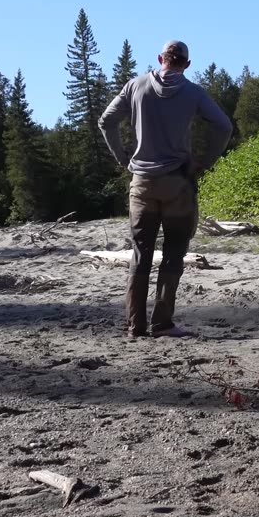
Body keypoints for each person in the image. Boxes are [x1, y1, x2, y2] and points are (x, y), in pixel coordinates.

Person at [99, 40, 233, 338]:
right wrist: (206, 161)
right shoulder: (193, 92)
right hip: (178, 182)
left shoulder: (135, 86)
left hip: (142, 183)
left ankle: (135, 325)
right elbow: (224, 126)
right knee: (173, 253)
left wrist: (123, 158)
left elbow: (106, 121)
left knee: (140, 253)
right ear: (186, 63)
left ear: (160, 58)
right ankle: (163, 323)